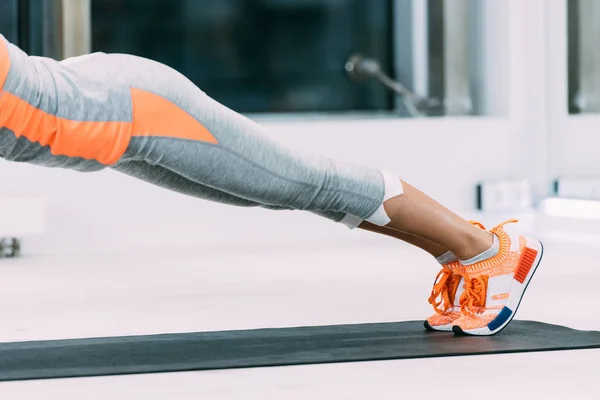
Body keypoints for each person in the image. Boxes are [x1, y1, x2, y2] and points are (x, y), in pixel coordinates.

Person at [0, 34, 543, 336]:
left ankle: (493, 251)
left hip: (137, 109)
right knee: (273, 192)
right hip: (116, 137)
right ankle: (461, 256)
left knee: (311, 184)